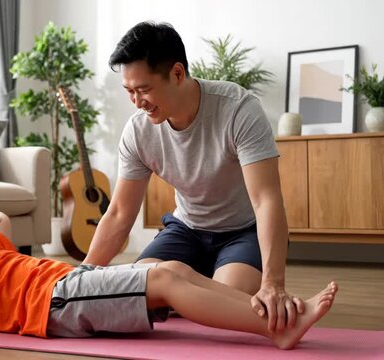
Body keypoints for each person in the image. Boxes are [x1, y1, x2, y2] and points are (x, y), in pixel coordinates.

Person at [0, 191, 338, 350]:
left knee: (173, 267)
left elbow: (1, 222)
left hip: (69, 281)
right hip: (54, 305)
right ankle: (274, 330)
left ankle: (267, 312)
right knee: (164, 279)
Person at [82, 20, 299, 332]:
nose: (137, 102)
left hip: (242, 231)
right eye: (129, 91)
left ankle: (190, 294)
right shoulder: (138, 131)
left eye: (144, 89)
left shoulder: (238, 109)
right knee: (140, 287)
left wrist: (273, 285)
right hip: (186, 230)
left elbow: (266, 200)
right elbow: (118, 213)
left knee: (231, 299)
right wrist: (83, 276)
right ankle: (188, 293)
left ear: (178, 73)